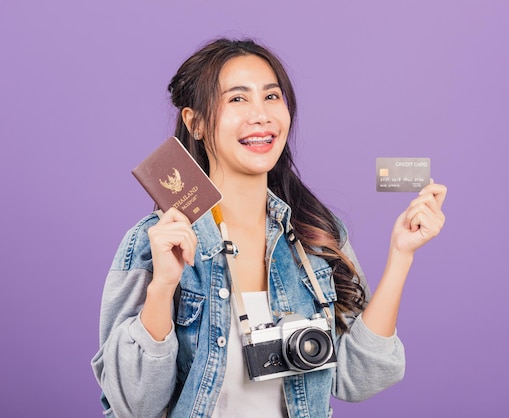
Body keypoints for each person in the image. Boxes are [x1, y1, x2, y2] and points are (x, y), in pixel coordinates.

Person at [91, 37, 447, 418]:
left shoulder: (316, 236)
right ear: (194, 123)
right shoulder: (154, 244)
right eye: (237, 99)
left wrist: (401, 254)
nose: (260, 115)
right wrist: (162, 286)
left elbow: (358, 377)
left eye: (272, 97)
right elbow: (134, 405)